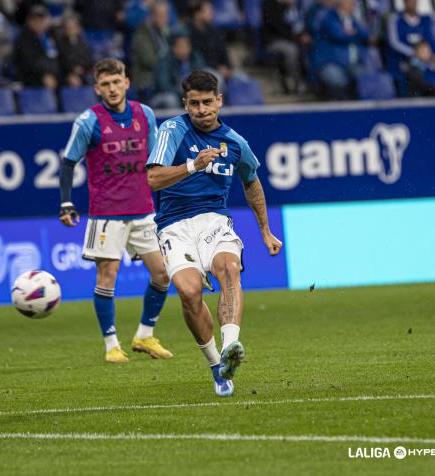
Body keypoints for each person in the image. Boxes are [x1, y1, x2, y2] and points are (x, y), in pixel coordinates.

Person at [146, 70, 283, 397]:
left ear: (219, 101)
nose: (202, 109)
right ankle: (216, 366)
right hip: (174, 224)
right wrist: (193, 165)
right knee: (189, 293)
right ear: (185, 104)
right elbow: (153, 179)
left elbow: (251, 181)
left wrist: (266, 231)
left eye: (208, 102)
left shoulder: (235, 143)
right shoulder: (172, 130)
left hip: (214, 220)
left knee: (229, 269)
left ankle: (231, 345)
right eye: (194, 103)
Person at [59, 58, 173, 364]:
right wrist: (66, 202)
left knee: (162, 274)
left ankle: (144, 335)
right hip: (106, 213)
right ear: (97, 88)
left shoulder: (145, 114)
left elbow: (156, 161)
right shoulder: (89, 121)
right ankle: (111, 344)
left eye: (116, 82)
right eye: (105, 84)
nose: (112, 88)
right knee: (107, 275)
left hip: (143, 210)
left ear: (127, 82)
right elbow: (69, 160)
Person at [13, 5, 59, 89]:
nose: (39, 23)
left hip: (55, 77)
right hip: (32, 79)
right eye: (35, 20)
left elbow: (58, 57)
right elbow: (29, 61)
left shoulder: (52, 36)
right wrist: (44, 75)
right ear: (29, 21)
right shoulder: (24, 38)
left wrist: (55, 74)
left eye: (41, 20)